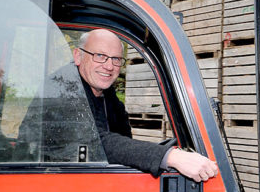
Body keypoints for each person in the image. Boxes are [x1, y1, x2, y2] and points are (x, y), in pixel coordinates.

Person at [72, 29, 218, 182]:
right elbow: (94, 142)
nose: (109, 66)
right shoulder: (62, 91)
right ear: (78, 56)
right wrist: (168, 156)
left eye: (116, 59)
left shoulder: (106, 96)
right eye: (100, 56)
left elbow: (122, 140)